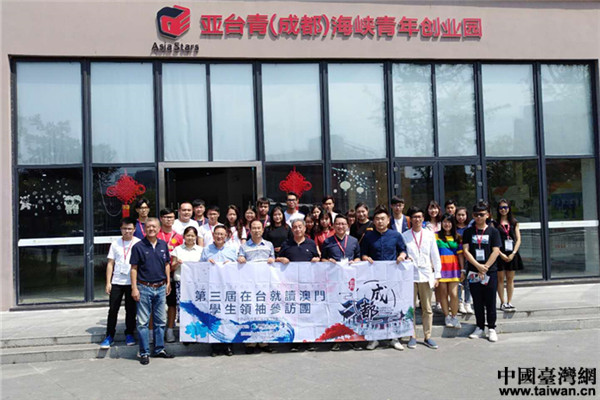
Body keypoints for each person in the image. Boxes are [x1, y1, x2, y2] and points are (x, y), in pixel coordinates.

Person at [361, 205, 408, 351]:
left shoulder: (396, 235)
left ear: (388, 220)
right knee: (374, 307)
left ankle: (394, 338)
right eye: (377, 219)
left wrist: (402, 256)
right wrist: (366, 258)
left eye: (383, 219)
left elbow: (403, 250)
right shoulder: (368, 236)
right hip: (373, 278)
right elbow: (362, 254)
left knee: (393, 307)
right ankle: (374, 338)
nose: (380, 221)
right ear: (373, 221)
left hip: (392, 277)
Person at [130, 218, 175, 365]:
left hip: (161, 287)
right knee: (143, 322)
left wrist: (168, 282)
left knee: (160, 321)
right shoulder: (138, 246)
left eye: (154, 227)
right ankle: (144, 352)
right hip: (144, 287)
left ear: (159, 228)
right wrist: (134, 288)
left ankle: (159, 349)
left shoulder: (163, 244)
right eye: (148, 226)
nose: (151, 229)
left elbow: (167, 264)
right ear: (145, 229)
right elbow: (134, 268)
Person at [276, 219, 320, 352]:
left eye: (300, 227)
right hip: (291, 285)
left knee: (308, 313)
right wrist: (281, 259)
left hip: (308, 286)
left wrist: (316, 259)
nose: (297, 229)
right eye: (294, 227)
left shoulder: (311, 243)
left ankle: (309, 340)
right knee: (294, 313)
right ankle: (295, 341)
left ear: (305, 228)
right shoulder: (286, 244)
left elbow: (318, 258)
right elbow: (277, 259)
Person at [402, 206, 442, 350]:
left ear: (423, 218)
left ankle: (427, 336)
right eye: (414, 217)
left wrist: (437, 275)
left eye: (419, 217)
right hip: (410, 276)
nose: (417, 219)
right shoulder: (405, 235)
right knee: (410, 308)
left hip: (426, 275)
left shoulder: (429, 235)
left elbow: (435, 256)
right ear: (410, 219)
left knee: (427, 308)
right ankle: (412, 336)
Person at [321, 214, 361, 352]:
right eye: (337, 224)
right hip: (334, 282)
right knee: (336, 310)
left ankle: (353, 339)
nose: (340, 226)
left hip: (350, 282)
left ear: (347, 225)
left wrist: (355, 262)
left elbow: (358, 257)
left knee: (352, 309)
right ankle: (337, 339)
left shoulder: (353, 241)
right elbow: (322, 259)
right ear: (333, 226)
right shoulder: (328, 241)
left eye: (343, 224)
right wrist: (328, 261)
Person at [463, 201, 502, 343]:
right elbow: (466, 251)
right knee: (477, 300)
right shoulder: (468, 231)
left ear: (487, 215)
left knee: (490, 300)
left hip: (489, 271)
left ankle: (491, 328)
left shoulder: (493, 231)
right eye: (476, 215)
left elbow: (496, 251)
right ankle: (479, 326)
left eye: (481, 214)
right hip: (474, 271)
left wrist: (485, 267)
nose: (478, 217)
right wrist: (478, 266)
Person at [100, 217, 140, 349]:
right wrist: (108, 282)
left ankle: (129, 334)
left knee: (131, 310)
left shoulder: (139, 243)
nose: (127, 231)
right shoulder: (115, 243)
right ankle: (109, 336)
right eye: (124, 228)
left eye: (130, 228)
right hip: (117, 281)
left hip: (132, 282)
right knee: (113, 309)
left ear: (134, 229)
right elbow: (110, 264)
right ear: (120, 229)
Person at [238, 219, 276, 354]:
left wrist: (272, 259)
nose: (256, 230)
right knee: (251, 312)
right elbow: (240, 258)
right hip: (250, 285)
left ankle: (264, 341)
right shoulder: (244, 246)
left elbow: (274, 261)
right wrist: (241, 259)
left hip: (266, 285)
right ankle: (251, 342)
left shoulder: (269, 245)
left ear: (263, 229)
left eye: (259, 228)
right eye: (254, 228)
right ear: (250, 230)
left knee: (265, 312)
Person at [201, 225, 239, 357]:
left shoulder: (232, 250)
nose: (219, 236)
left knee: (228, 316)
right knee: (214, 316)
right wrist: (206, 263)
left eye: (222, 234)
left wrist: (231, 264)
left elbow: (238, 269)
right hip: (213, 290)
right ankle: (215, 346)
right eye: (217, 234)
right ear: (213, 235)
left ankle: (228, 345)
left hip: (228, 289)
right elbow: (199, 268)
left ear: (226, 236)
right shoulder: (206, 250)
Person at [170, 226, 203, 343]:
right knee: (183, 309)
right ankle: (185, 335)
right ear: (184, 236)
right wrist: (177, 264)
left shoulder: (201, 250)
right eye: (188, 235)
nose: (190, 238)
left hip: (196, 283)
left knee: (196, 307)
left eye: (192, 236)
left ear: (196, 237)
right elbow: (172, 268)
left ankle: (197, 332)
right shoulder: (178, 249)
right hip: (181, 282)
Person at [157, 208, 184, 343]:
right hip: (157, 275)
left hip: (174, 275)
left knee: (172, 304)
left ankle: (170, 329)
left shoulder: (178, 237)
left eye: (171, 217)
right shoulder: (155, 234)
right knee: (158, 305)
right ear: (161, 219)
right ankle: (157, 330)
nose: (169, 220)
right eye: (166, 217)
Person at [494, 199, 523, 312]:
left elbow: (518, 239)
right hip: (499, 253)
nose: (503, 210)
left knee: (510, 279)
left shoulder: (514, 222)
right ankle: (502, 302)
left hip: (512, 253)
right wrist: (500, 254)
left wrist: (513, 253)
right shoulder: (494, 223)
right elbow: (493, 241)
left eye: (505, 207)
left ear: (509, 208)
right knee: (500, 279)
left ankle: (509, 301)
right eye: (501, 207)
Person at [436, 213, 464, 329]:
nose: (447, 224)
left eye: (449, 222)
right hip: (441, 268)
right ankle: (447, 316)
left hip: (454, 269)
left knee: (454, 294)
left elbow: (461, 255)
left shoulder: (458, 237)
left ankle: (454, 316)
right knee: (443, 293)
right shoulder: (435, 236)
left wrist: (463, 270)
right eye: (444, 222)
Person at [455, 206, 473, 315]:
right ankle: (459, 302)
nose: (461, 217)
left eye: (463, 215)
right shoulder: (453, 228)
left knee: (468, 282)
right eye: (459, 215)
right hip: (456, 257)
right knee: (458, 282)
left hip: (468, 257)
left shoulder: (470, 228)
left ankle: (468, 302)